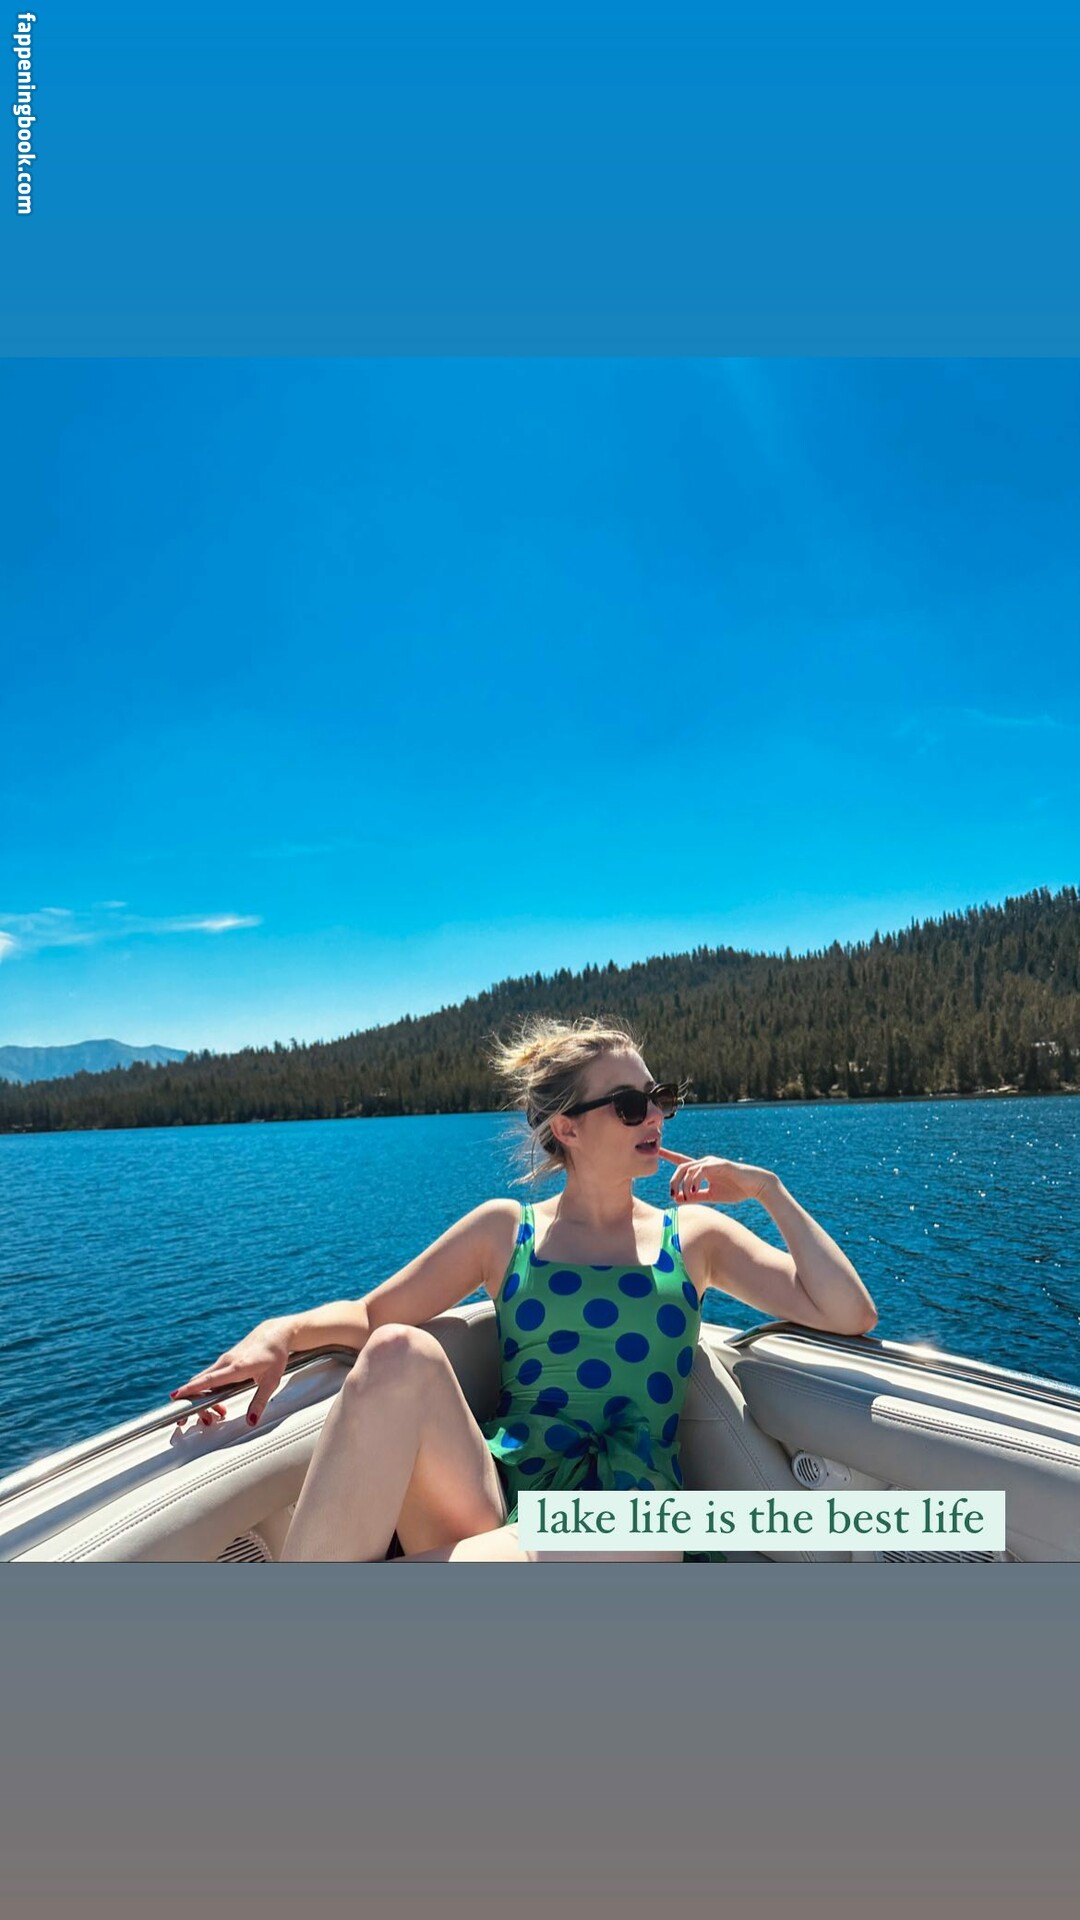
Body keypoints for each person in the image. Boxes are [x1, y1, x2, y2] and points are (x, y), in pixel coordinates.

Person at [170, 1016, 878, 1562]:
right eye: (631, 1104)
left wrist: (767, 1190)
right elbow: (372, 1315)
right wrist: (281, 1333)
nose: (656, 1118)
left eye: (660, 1100)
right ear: (567, 1128)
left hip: (630, 1522)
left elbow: (847, 1311)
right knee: (396, 1353)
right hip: (503, 1502)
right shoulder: (503, 1231)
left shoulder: (693, 1238)